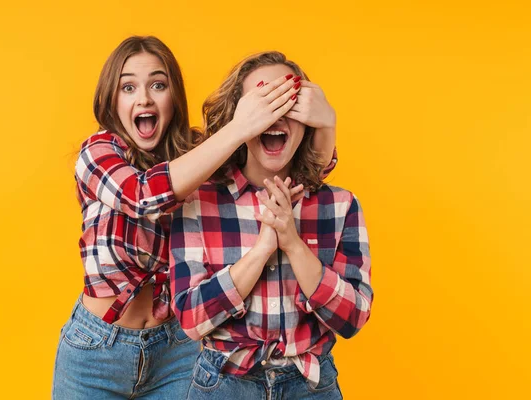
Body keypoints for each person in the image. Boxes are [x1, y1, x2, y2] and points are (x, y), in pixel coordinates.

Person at [53, 37, 336, 399]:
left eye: (158, 84)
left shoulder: (200, 154)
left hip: (177, 348)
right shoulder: (97, 152)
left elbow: (292, 179)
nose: (144, 99)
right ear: (112, 99)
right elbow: (143, 197)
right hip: (97, 349)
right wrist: (238, 127)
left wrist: (326, 123)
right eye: (128, 87)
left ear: (174, 97)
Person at [170, 51, 372, 399]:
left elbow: (352, 318)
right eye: (264, 101)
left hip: (310, 385)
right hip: (223, 386)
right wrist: (263, 249)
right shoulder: (198, 202)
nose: (275, 114)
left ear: (308, 120)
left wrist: (293, 243)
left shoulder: (340, 206)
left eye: (288, 102)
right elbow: (190, 319)